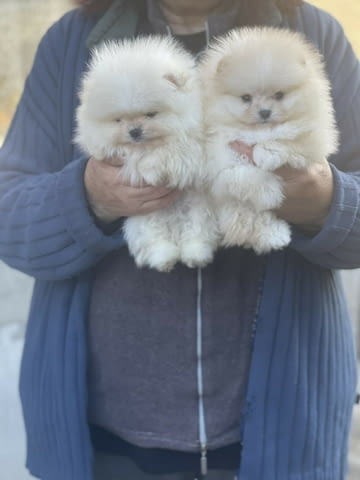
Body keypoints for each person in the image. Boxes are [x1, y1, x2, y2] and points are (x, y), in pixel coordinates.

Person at [0, 0, 359, 479]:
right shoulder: (72, 41)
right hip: (107, 437)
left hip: (283, 430)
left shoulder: (313, 33)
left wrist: (324, 202)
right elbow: (9, 215)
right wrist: (89, 198)